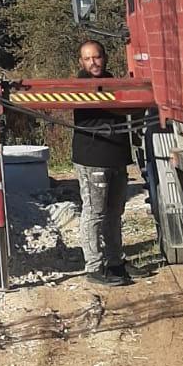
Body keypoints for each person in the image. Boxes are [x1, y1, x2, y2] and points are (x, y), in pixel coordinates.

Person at [73, 40, 135, 287]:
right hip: (92, 159)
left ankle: (115, 262)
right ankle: (94, 267)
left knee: (114, 213)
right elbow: (117, 107)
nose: (93, 63)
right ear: (81, 62)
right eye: (88, 59)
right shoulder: (79, 86)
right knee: (94, 213)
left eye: (96, 57)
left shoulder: (112, 81)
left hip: (116, 156)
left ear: (104, 57)